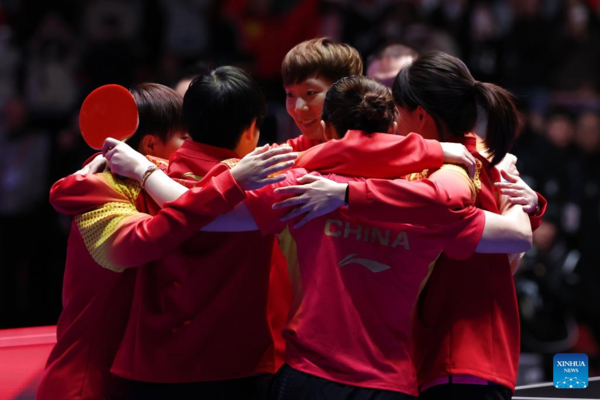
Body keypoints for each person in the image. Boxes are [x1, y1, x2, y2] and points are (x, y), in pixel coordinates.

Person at [107, 75, 532, 400]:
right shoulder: (432, 196)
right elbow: (514, 236)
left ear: (328, 128)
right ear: (396, 129)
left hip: (308, 379)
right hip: (389, 384)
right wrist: (517, 189)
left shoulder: (300, 182)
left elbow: (202, 215)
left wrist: (144, 171)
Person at [273, 52, 547, 400]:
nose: (384, 110)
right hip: (427, 362)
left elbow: (515, 236)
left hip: (456, 358)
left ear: (418, 113)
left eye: (393, 102)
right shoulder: (457, 162)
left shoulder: (459, 168)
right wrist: (531, 206)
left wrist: (345, 193)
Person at [38, 82, 294, 400]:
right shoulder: (101, 196)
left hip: (127, 379)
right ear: (149, 145)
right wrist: (232, 181)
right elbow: (153, 235)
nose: (192, 146)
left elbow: (181, 199)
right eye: (185, 138)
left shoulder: (149, 179)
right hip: (84, 385)